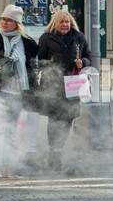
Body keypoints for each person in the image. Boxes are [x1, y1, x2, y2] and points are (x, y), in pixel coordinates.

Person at [36, 9, 92, 163]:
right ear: (55, 23)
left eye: (67, 22)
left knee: (68, 118)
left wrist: (83, 63)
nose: (65, 24)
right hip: (52, 84)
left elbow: (89, 56)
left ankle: (59, 149)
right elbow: (39, 60)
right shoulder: (46, 38)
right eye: (61, 22)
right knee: (54, 119)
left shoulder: (79, 37)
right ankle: (53, 151)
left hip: (73, 83)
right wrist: (49, 65)